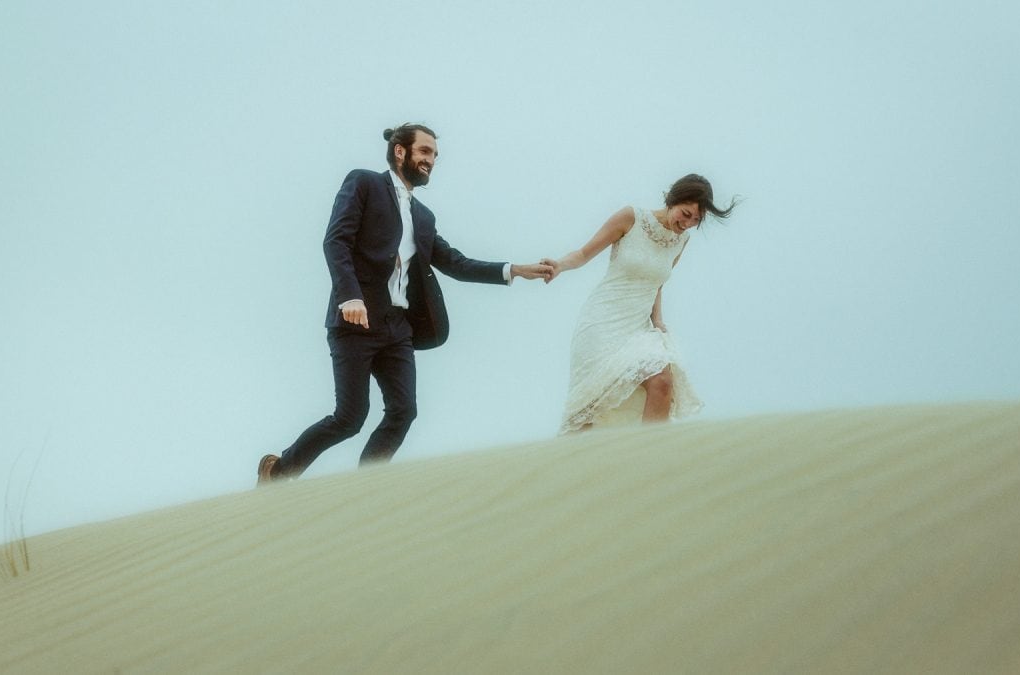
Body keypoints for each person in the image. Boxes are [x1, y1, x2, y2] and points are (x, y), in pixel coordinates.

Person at [257, 123, 554, 483]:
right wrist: (349, 296)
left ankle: (366, 486)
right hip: (356, 321)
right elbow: (336, 242)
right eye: (425, 152)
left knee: (404, 411)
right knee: (349, 418)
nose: (432, 161)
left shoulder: (423, 216)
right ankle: (279, 472)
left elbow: (455, 262)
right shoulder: (364, 183)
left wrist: (514, 270)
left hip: (397, 328)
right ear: (401, 152)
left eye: (435, 155)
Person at [543, 174, 737, 433]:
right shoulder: (630, 218)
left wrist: (658, 319)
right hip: (601, 323)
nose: (688, 223)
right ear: (673, 200)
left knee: (662, 382)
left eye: (696, 220)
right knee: (590, 410)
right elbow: (582, 254)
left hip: (638, 326)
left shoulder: (681, 241)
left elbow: (656, 283)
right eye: (686, 213)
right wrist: (559, 266)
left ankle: (650, 458)